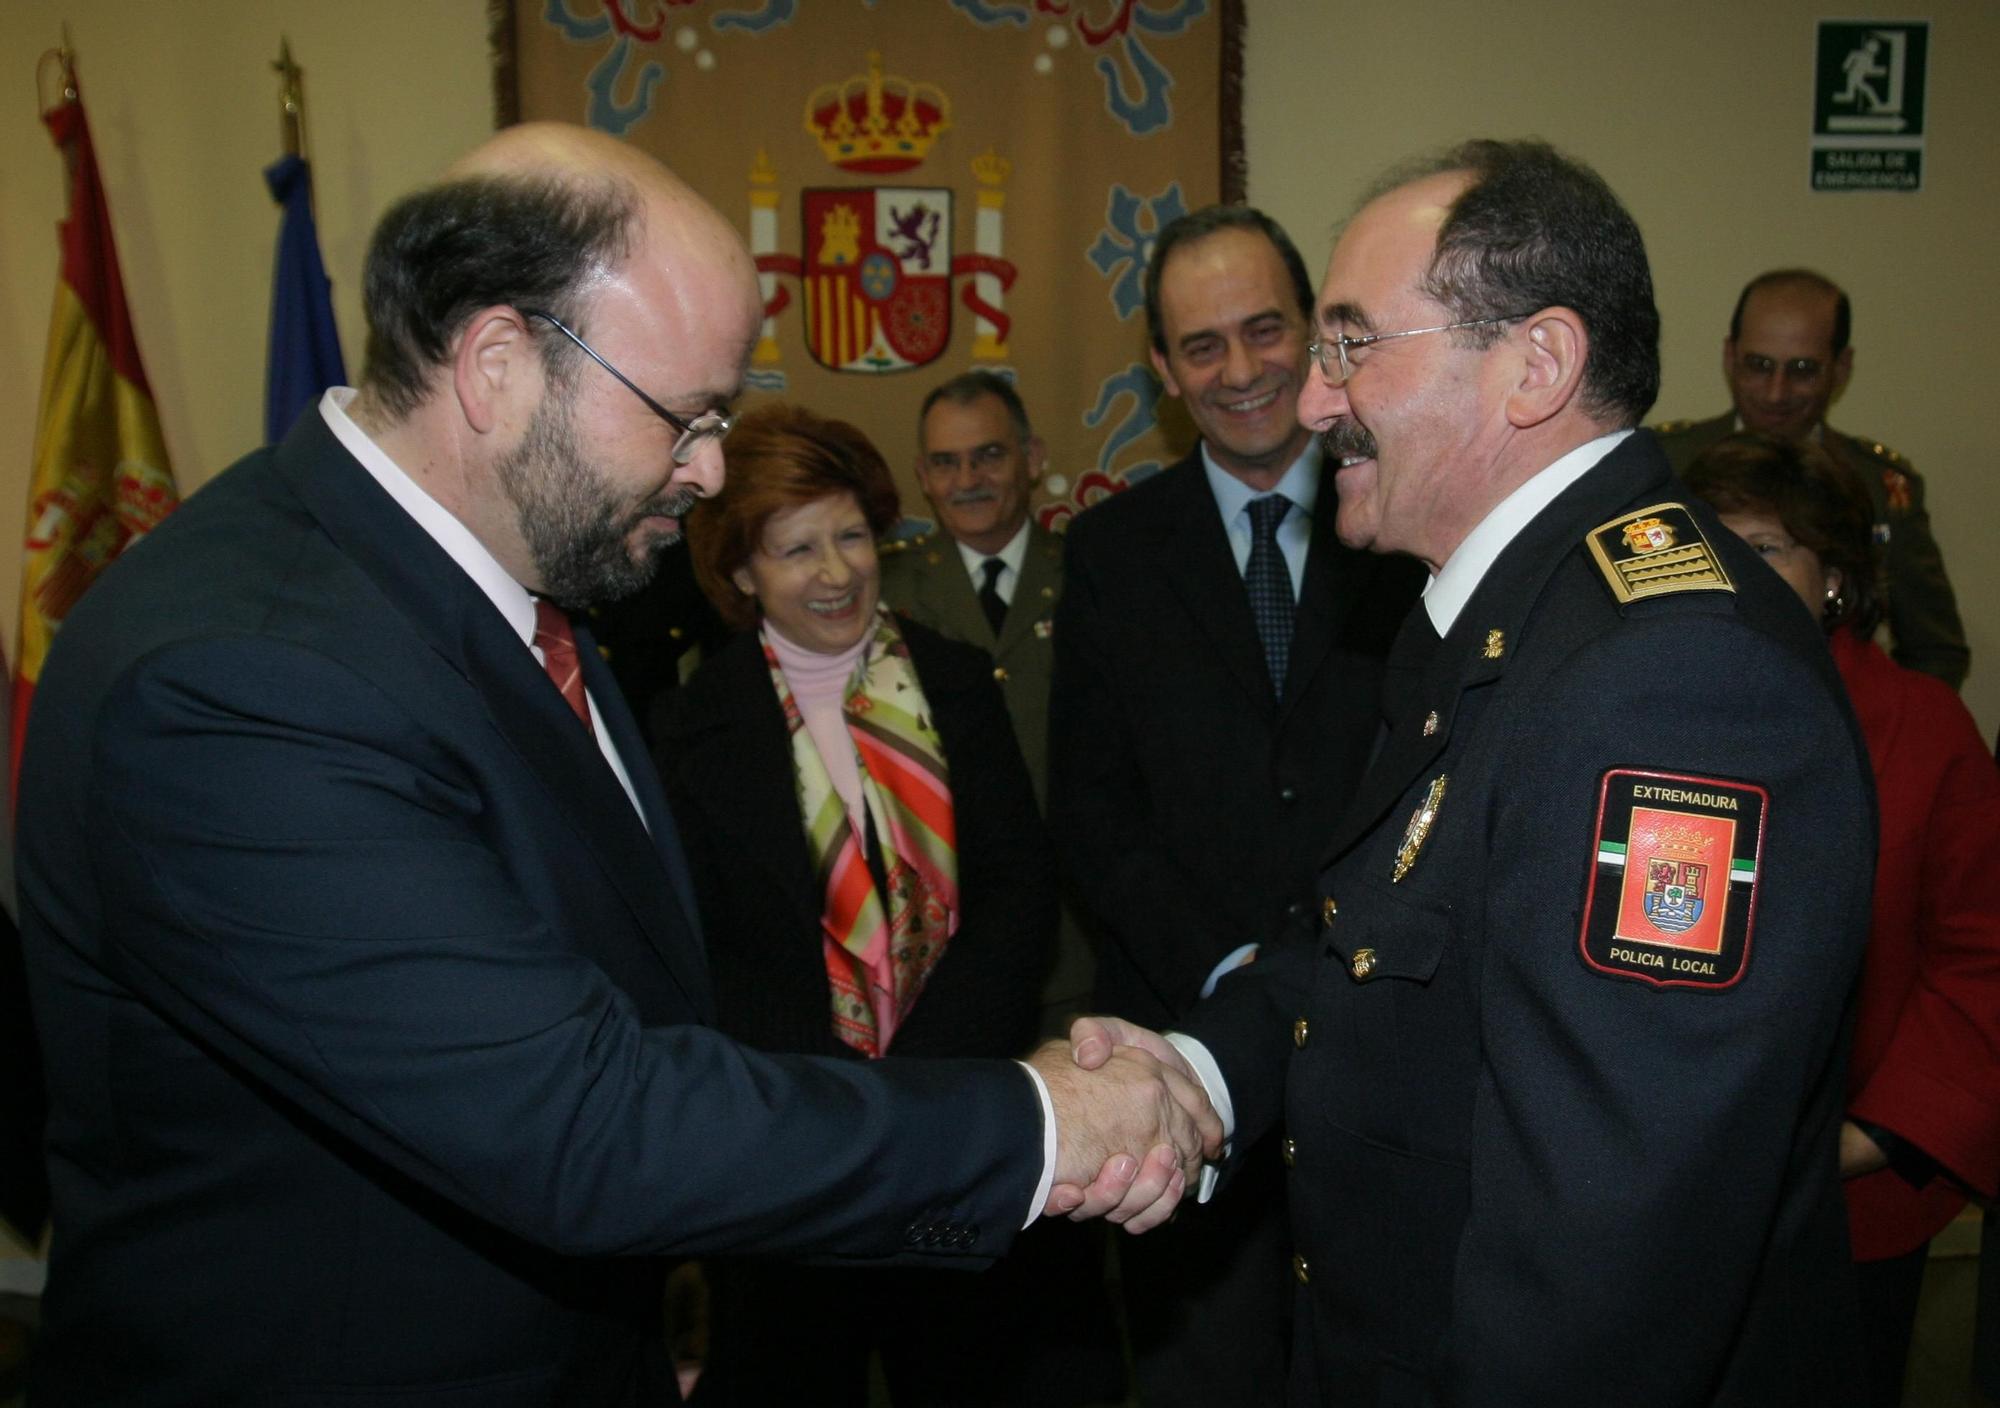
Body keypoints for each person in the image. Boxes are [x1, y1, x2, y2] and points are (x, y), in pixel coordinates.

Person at [13, 122, 1217, 1405]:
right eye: (682, 418)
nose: (706, 472)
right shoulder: (239, 680)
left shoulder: (523, 589)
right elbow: (576, 1118)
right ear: (495, 365)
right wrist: (1034, 1125)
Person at [1078, 139, 1879, 1404]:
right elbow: (1363, 931)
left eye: (1350, 344)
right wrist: (1201, 1071)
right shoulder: (1499, 610)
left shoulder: (1669, 684)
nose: (1311, 400)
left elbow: (1607, 1261)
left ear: (1534, 364)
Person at [1048, 204, 1423, 1406]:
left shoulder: (1406, 526)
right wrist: (1232, 962)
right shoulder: (1108, 553)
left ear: (1315, 329)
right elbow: (1092, 811)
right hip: (1181, 1057)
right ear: (1160, 369)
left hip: (1383, 1055)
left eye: (1266, 330)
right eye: (1200, 345)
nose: (1242, 369)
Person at [1686, 431, 2000, 1407]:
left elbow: (1978, 958)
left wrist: (1864, 1141)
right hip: (1662, 1203)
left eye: (1767, 546)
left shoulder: (1922, 727)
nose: (1734, 570)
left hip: (1848, 1203)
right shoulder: (1641, 711)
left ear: (1832, 577)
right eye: (1712, 543)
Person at [881, 370, 1082, 1030]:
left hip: (1081, 934)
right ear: (923, 475)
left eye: (989, 455)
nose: (968, 478)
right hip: (935, 948)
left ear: (1032, 458)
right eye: (946, 462)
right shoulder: (883, 592)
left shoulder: (1092, 573)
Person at [1652, 269, 1968, 688]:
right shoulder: (1665, 464)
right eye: (1759, 366)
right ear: (1730, 356)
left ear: (1841, 369)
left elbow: (1935, 649)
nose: (1775, 392)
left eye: (1802, 370)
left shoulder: (1879, 486)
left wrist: (1882, 735)